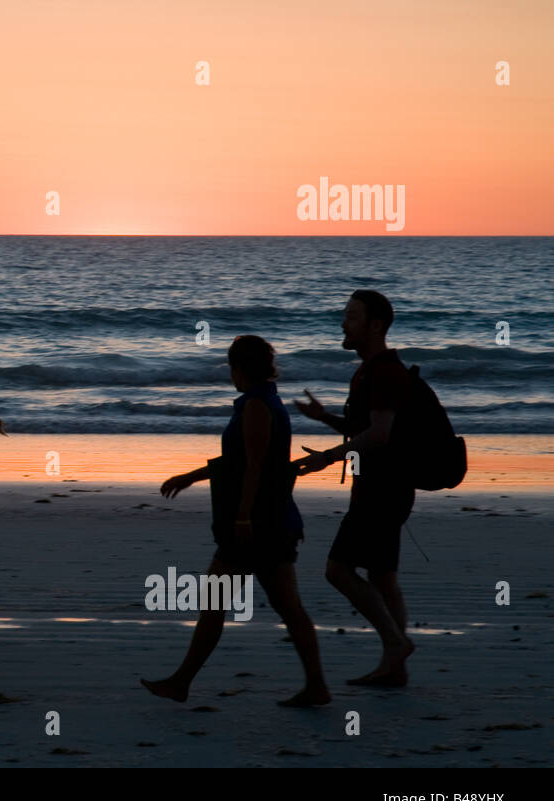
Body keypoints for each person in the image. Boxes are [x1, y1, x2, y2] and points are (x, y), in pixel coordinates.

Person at [144, 336, 331, 708]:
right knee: (284, 607)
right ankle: (316, 686)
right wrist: (192, 476)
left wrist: (243, 516)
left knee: (221, 603)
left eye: (232, 367)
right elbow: (240, 461)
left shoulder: (257, 406)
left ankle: (181, 682)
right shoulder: (263, 401)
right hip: (272, 522)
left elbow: (253, 467)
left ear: (239, 368)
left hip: (258, 525)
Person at [294, 290, 416, 686]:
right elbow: (368, 429)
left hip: (381, 491)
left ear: (375, 325)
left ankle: (395, 645)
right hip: (386, 487)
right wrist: (325, 417)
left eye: (351, 316)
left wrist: (327, 457)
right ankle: (395, 668)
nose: (343, 323)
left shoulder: (382, 371)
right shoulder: (369, 371)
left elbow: (379, 435)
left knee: (337, 570)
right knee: (383, 579)